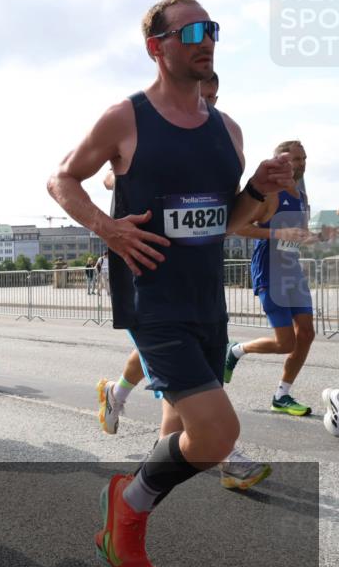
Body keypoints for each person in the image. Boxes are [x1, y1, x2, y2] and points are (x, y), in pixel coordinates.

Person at [47, 0, 293, 567]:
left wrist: (257, 190)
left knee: (179, 434)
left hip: (206, 300)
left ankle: (127, 537)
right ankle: (125, 513)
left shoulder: (228, 131)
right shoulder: (126, 118)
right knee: (215, 435)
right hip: (152, 300)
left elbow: (226, 221)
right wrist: (106, 228)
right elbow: (62, 179)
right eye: (190, 32)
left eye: (211, 29)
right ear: (156, 47)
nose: (206, 40)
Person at [95, 70, 271, 491]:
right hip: (145, 284)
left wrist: (259, 193)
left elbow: (227, 219)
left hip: (198, 291)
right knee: (192, 401)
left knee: (175, 399)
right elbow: (105, 175)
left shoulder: (221, 139)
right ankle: (221, 457)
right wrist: (123, 192)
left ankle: (139, 482)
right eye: (198, 93)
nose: (204, 102)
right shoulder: (141, 127)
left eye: (211, 96)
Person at [225, 141, 317, 416]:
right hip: (270, 271)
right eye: (296, 159)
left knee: (307, 333)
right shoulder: (270, 196)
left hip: (292, 271)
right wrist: (277, 233)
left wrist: (311, 236)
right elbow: (238, 227)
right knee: (285, 343)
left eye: (303, 158)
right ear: (280, 162)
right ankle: (236, 351)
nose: (301, 163)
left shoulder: (301, 196)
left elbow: (297, 233)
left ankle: (282, 395)